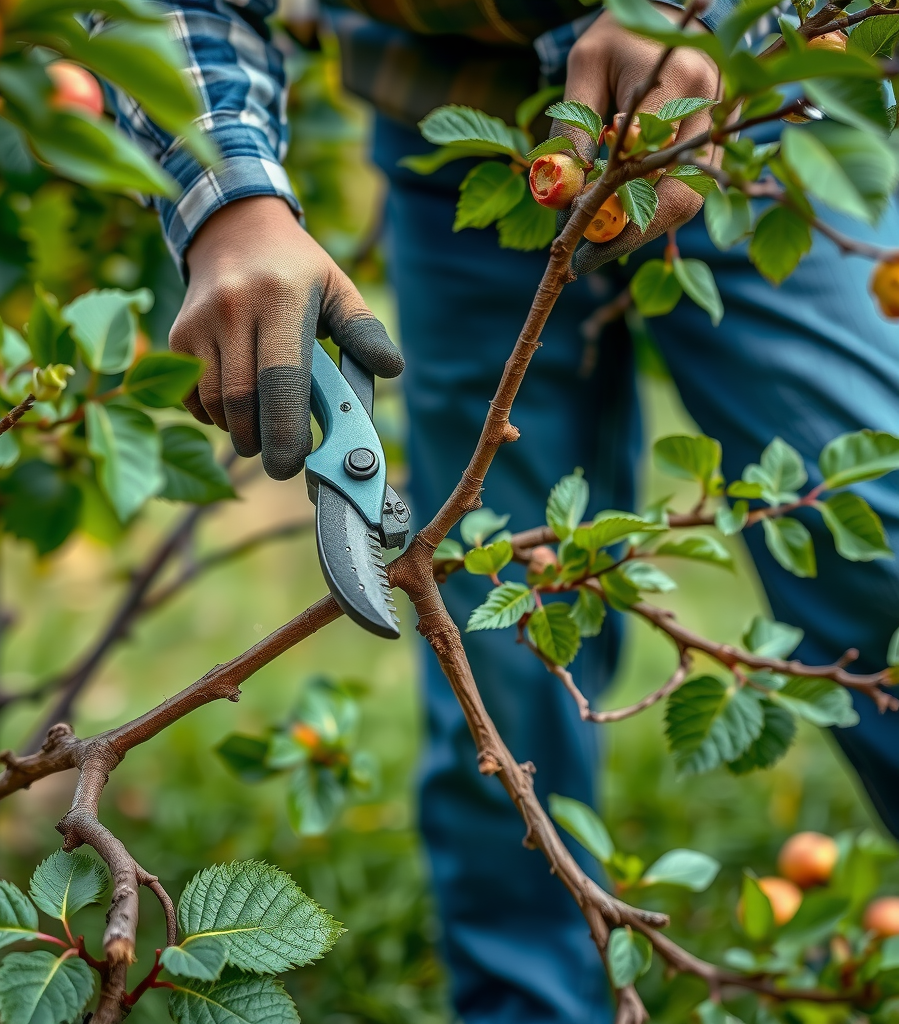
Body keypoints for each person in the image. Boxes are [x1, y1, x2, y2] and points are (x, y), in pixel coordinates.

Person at [112, 1, 899, 1020]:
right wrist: (229, 203)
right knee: (499, 635)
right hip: (454, 127)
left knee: (872, 544)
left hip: (755, 116)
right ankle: (524, 1002)